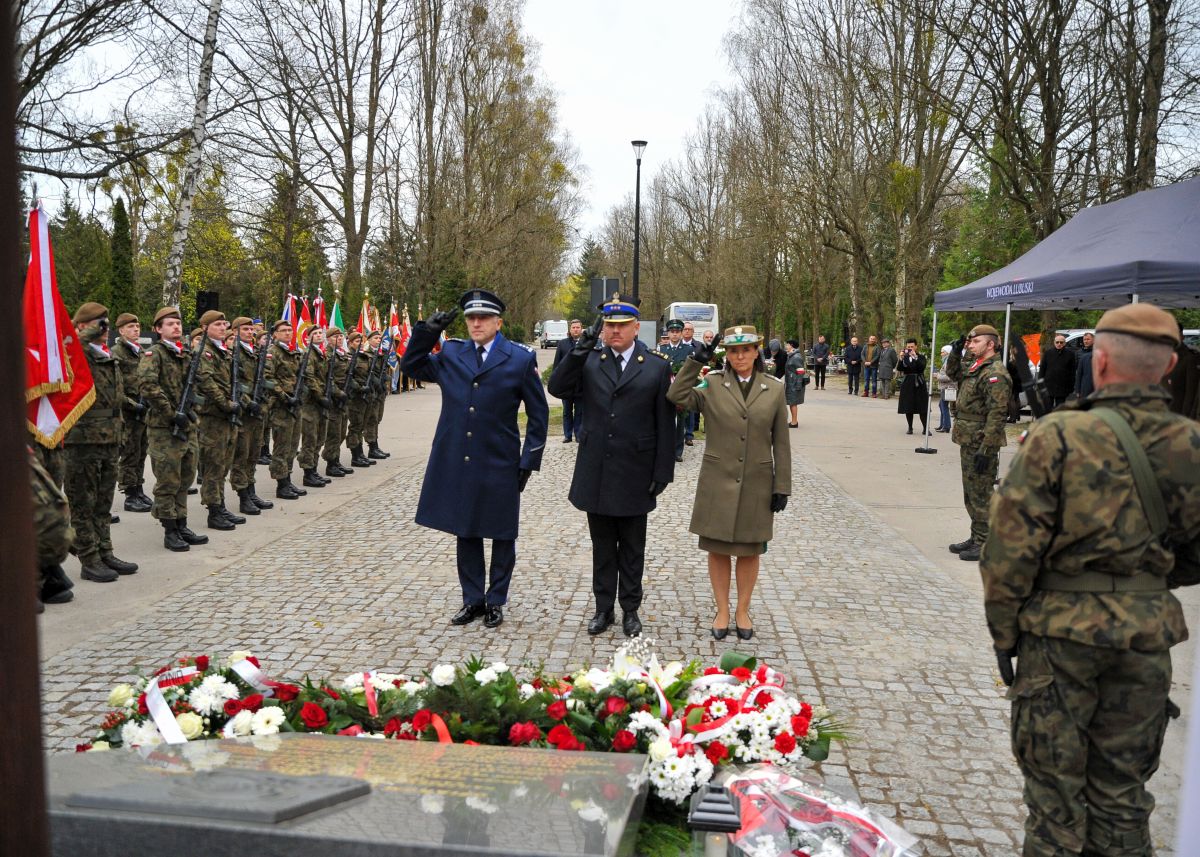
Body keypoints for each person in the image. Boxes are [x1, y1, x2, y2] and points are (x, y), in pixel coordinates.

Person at [980, 303, 1200, 857]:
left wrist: (1006, 634)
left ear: (1098, 360)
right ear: (1170, 365)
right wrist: (1145, 583)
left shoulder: (1058, 436)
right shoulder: (1192, 445)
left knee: (1055, 807)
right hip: (1145, 642)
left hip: (1060, 641)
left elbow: (1008, 553)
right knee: (1123, 799)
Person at [401, 288, 549, 629]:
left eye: (483, 318)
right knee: (465, 530)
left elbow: (539, 416)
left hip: (500, 459)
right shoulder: (453, 353)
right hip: (460, 458)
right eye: (471, 318)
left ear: (498, 322)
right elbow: (411, 366)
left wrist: (528, 461)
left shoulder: (519, 358)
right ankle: (472, 599)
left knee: (502, 532)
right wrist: (427, 333)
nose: (476, 323)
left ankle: (496, 600)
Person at [548, 294, 675, 638]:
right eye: (609, 325)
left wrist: (663, 471)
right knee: (602, 546)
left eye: (622, 325)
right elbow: (557, 387)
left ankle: (630, 609)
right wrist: (580, 349)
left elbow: (666, 423)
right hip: (598, 469)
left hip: (636, 469)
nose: (615, 331)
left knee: (633, 547)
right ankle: (603, 608)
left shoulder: (656, 366)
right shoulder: (590, 360)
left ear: (636, 327)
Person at [667, 326, 790, 640]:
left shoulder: (774, 388)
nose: (740, 356)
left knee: (750, 550)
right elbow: (676, 396)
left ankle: (742, 610)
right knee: (718, 549)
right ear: (727, 354)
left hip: (757, 482)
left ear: (756, 351)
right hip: (718, 481)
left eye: (746, 349)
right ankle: (722, 610)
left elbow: (781, 442)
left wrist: (782, 485)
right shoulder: (712, 384)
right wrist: (695, 361)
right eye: (734, 351)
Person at [63, 302, 137, 582]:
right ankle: (89, 558)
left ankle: (105, 551)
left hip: (110, 437)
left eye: (106, 322)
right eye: (98, 322)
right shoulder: (75, 352)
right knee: (83, 503)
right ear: (82, 326)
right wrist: (84, 333)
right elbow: (69, 345)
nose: (105, 328)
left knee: (103, 503)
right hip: (83, 440)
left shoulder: (106, 355)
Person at [139, 306, 209, 551]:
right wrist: (172, 414)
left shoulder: (185, 354)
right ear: (158, 329)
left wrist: (191, 411)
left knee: (185, 478)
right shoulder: (154, 354)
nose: (176, 327)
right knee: (168, 481)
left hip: (187, 426)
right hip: (164, 428)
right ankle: (169, 530)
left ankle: (181, 523)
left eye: (178, 323)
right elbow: (148, 387)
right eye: (170, 324)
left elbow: (198, 385)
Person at [947, 325, 1011, 562]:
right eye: (970, 342)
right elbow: (954, 373)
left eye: (976, 342)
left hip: (981, 440)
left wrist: (987, 448)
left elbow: (998, 414)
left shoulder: (995, 373)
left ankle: (986, 542)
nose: (971, 345)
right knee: (971, 492)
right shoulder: (977, 365)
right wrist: (956, 353)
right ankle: (977, 536)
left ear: (990, 344)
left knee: (982, 493)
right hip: (969, 438)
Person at [195, 310, 247, 531]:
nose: (222, 327)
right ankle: (213, 511)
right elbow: (207, 383)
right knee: (213, 466)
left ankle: (221, 504)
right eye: (217, 324)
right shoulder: (204, 351)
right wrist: (226, 404)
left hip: (227, 416)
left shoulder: (223, 351)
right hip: (213, 416)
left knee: (223, 465)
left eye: (224, 324)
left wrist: (237, 402)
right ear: (205, 328)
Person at [228, 316, 273, 516]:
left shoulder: (253, 352)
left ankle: (251, 490)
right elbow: (235, 384)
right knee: (242, 455)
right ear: (235, 331)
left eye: (251, 329)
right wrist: (249, 403)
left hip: (257, 411)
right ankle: (243, 496)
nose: (250, 332)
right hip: (244, 413)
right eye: (245, 329)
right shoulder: (234, 354)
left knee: (254, 454)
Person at [113, 312, 151, 513]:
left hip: (143, 410)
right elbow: (116, 389)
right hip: (128, 412)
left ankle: (138, 488)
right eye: (130, 327)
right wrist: (133, 405)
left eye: (137, 327)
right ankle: (129, 493)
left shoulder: (140, 351)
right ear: (121, 330)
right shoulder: (117, 353)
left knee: (141, 451)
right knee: (129, 453)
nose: (136, 330)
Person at [264, 319, 306, 500]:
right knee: (282, 446)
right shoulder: (272, 352)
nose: (288, 333)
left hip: (295, 404)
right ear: (275, 334)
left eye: (290, 330)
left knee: (293, 445)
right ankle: (281, 484)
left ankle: (287, 478)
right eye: (283, 330)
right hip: (281, 405)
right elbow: (268, 378)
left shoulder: (293, 352)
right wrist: (284, 396)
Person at [321, 326, 355, 477]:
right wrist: (338, 393)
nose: (339, 339)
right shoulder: (328, 355)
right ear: (328, 339)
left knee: (341, 432)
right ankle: (331, 463)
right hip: (334, 398)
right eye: (335, 337)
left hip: (344, 397)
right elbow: (327, 378)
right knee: (334, 433)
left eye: (341, 336)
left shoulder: (343, 354)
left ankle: (336, 460)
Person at [660, 319, 694, 462]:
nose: (674, 334)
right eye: (672, 331)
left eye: (677, 331)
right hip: (664, 388)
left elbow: (690, 370)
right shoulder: (662, 349)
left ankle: (677, 451)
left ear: (681, 333)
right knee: (664, 419)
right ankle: (664, 449)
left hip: (680, 389)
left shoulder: (688, 350)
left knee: (680, 420)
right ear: (668, 333)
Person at [345, 331, 375, 468]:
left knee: (361, 425)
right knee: (355, 426)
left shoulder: (363, 356)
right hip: (355, 397)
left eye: (361, 341)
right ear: (350, 343)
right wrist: (359, 388)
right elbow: (348, 377)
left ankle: (361, 454)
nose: (360, 344)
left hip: (366, 396)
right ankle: (355, 455)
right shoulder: (349, 357)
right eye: (357, 341)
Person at [553, 319, 585, 443]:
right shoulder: (562, 344)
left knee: (579, 411)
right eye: (573, 328)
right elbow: (557, 363)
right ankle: (567, 435)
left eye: (578, 327)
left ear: (581, 329)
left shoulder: (586, 343)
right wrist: (556, 381)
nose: (575, 330)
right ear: (570, 329)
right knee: (567, 411)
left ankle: (578, 434)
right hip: (566, 385)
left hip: (581, 385)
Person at [1164, 320, 1200, 418]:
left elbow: (1191, 394)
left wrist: (1186, 419)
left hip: (1177, 416)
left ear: (1181, 336)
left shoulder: (1189, 358)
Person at [896, 338, 928, 435]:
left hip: (919, 382)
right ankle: (910, 427)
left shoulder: (921, 357)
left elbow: (921, 367)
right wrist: (901, 359)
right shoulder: (905, 357)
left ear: (916, 346)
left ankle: (925, 428)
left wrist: (915, 357)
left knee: (922, 406)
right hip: (907, 383)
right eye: (908, 347)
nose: (910, 348)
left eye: (912, 346)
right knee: (908, 406)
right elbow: (899, 368)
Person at [1039, 332, 1078, 409]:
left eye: (1061, 342)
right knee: (1048, 408)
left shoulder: (1070, 354)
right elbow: (1042, 369)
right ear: (1054, 343)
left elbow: (1072, 371)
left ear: (1065, 343)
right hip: (1049, 386)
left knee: (1060, 409)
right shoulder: (1048, 353)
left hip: (1063, 387)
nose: (1059, 344)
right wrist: (1040, 384)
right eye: (1057, 342)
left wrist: (1071, 386)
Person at [783, 339, 808, 427]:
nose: (786, 346)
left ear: (791, 346)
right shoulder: (791, 356)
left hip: (794, 383)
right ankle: (794, 421)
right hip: (791, 382)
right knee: (791, 402)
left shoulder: (796, 357)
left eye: (787, 344)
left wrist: (798, 385)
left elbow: (801, 371)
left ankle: (794, 422)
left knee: (793, 403)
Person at [935, 343, 957, 432]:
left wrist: (937, 376)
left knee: (943, 406)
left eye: (943, 352)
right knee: (942, 405)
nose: (941, 354)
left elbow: (949, 377)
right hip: (946, 387)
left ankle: (946, 426)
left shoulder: (949, 362)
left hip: (948, 387)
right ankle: (942, 425)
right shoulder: (947, 361)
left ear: (948, 353)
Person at [1073, 331, 1095, 400]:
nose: (1086, 341)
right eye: (1084, 339)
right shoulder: (1079, 353)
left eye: (1088, 339)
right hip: (1084, 387)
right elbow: (1078, 373)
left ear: (1094, 340)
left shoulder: (1097, 352)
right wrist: (1077, 390)